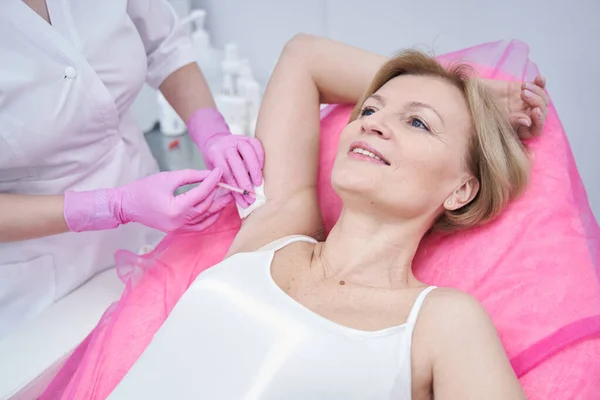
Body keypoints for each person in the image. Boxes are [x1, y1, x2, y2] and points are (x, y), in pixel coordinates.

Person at [110, 34, 549, 399]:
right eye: (370, 109)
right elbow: (304, 57)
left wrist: (477, 106)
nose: (371, 124)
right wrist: (482, 93)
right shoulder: (276, 230)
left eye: (418, 123)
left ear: (461, 189)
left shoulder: (443, 321)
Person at [0, 0, 264, 338]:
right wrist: (110, 206)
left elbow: (164, 45)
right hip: (41, 280)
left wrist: (212, 131)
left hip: (148, 229)